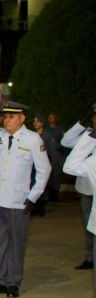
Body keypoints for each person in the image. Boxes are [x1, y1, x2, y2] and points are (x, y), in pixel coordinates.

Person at [0, 100, 51, 298]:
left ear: (22, 118)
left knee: (16, 243)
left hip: (18, 201)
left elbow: (44, 169)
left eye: (11, 116)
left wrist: (33, 196)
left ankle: (13, 282)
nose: (7, 120)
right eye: (5, 116)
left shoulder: (32, 139)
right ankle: (1, 280)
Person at [61, 103, 96, 270]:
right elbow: (66, 140)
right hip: (86, 187)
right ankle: (90, 257)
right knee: (89, 225)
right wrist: (82, 123)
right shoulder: (88, 134)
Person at [32, 115, 62, 216]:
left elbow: (52, 151)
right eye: (34, 121)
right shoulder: (31, 135)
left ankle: (41, 208)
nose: (35, 123)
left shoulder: (48, 135)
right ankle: (33, 207)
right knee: (32, 185)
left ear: (42, 123)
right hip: (32, 165)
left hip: (44, 163)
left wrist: (53, 166)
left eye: (38, 121)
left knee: (42, 187)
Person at [45, 112, 65, 201]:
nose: (50, 119)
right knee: (48, 174)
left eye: (52, 117)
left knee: (56, 175)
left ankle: (55, 196)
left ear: (56, 119)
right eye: (49, 117)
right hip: (47, 155)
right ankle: (48, 195)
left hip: (57, 155)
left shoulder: (60, 129)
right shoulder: (46, 129)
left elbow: (64, 142)